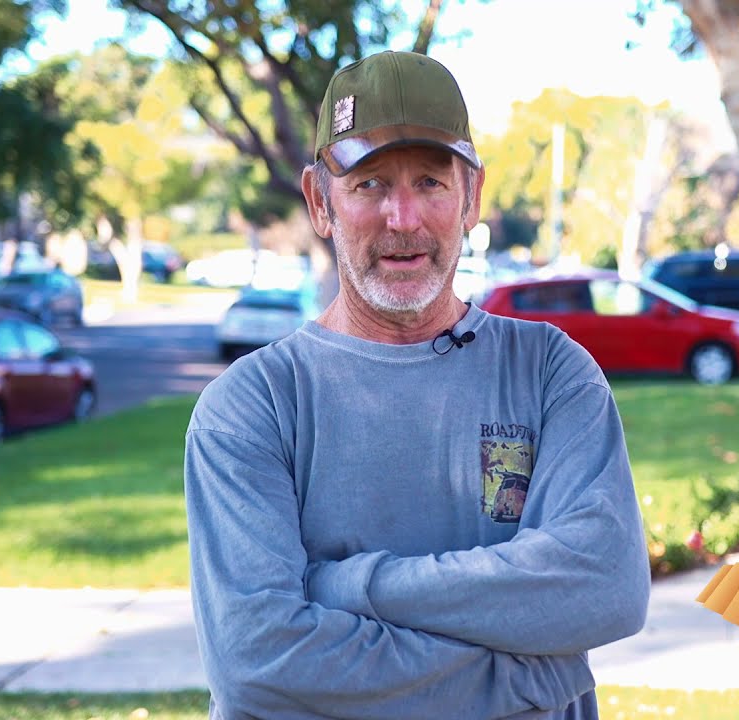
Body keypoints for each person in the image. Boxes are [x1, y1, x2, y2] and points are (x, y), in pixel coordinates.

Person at [185, 49, 651, 720]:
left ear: (471, 197)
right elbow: (258, 662)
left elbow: (605, 586)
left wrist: (350, 587)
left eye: (430, 182)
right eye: (369, 184)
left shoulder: (550, 372)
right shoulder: (252, 408)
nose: (402, 219)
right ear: (321, 201)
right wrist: (535, 681)